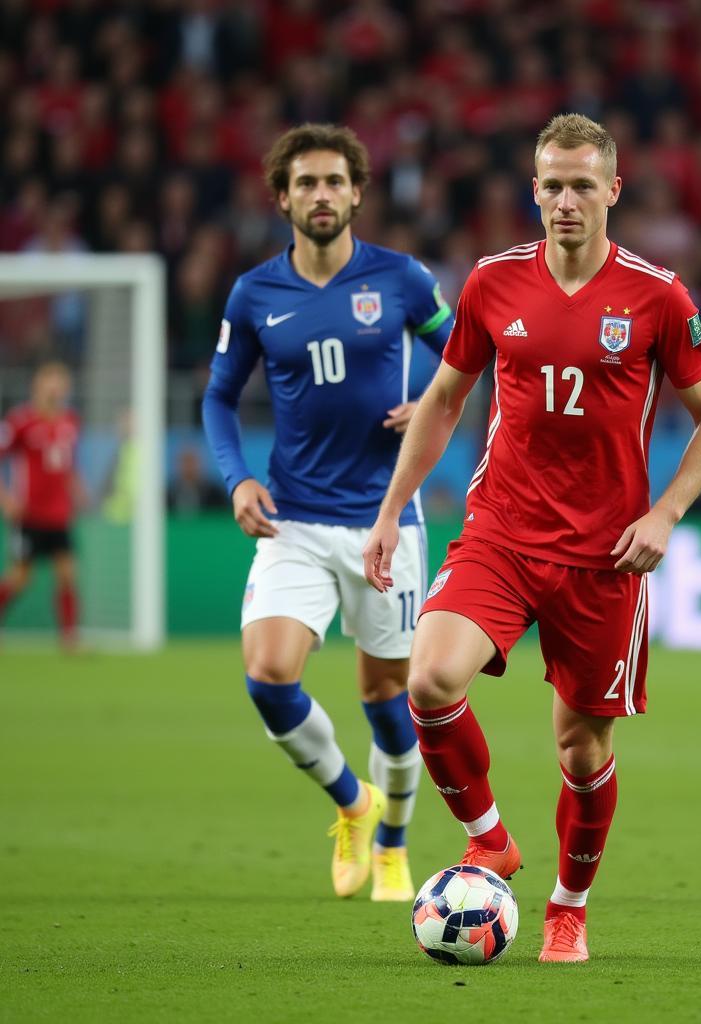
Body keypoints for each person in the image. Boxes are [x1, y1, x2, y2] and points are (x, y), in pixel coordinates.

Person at [363, 114, 701, 962]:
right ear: (534, 191)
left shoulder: (659, 295)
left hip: (606, 555)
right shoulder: (492, 283)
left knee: (582, 745)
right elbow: (446, 401)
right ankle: (489, 839)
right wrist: (390, 513)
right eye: (552, 185)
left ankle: (569, 905)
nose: (566, 200)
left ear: (613, 189)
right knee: (426, 680)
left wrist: (667, 510)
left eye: (582, 185)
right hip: (502, 530)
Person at [202, 124, 454, 902]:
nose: (321, 195)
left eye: (334, 182)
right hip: (297, 519)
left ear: (356, 193)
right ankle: (353, 801)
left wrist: (431, 407)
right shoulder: (254, 294)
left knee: (389, 698)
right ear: (282, 198)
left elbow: (468, 357)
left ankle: (393, 843)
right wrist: (238, 478)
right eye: (305, 183)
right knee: (269, 675)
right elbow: (217, 397)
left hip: (387, 521)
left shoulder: (404, 279)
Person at [0, 361, 83, 648]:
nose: (55, 386)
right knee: (21, 577)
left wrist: (77, 490)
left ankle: (69, 638)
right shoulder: (19, 421)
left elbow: (67, 465)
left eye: (60, 380)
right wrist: (6, 499)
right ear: (37, 384)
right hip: (29, 515)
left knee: (68, 574)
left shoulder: (70, 421)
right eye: (50, 379)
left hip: (59, 514)